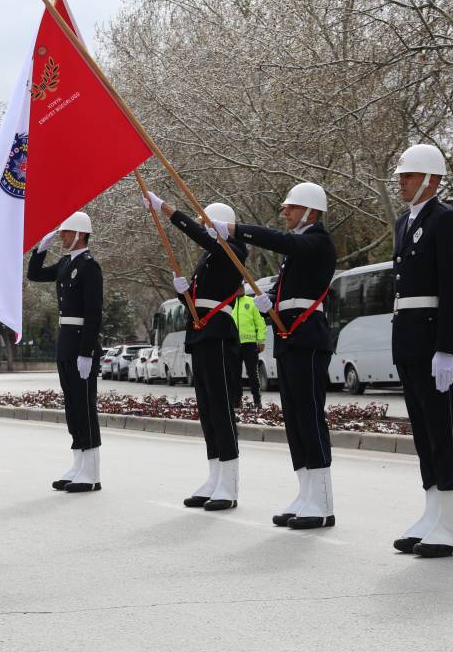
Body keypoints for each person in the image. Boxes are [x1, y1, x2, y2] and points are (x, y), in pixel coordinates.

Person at [209, 182, 337, 529]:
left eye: (291, 208)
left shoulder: (317, 241)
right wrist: (269, 307)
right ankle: (306, 492)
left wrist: (235, 230)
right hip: (291, 338)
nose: (285, 213)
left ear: (310, 211)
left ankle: (323, 501)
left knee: (310, 418)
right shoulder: (296, 252)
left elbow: (284, 241)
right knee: (295, 421)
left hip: (309, 339)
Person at [388, 144, 453, 558]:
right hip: (408, 339)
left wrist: (447, 348)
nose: (401, 181)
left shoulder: (445, 220)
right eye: (401, 176)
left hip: (433, 339)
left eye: (408, 175)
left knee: (444, 432)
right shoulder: (406, 223)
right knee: (424, 433)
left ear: (431, 180)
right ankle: (433, 513)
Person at [143, 192, 246, 511]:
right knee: (207, 412)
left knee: (221, 410)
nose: (203, 229)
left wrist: (167, 210)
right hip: (202, 336)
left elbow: (202, 237)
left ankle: (229, 482)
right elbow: (203, 299)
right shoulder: (209, 256)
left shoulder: (234, 249)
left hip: (220, 336)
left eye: (207, 224)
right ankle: (215, 476)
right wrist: (187, 293)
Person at [28, 211, 104, 493]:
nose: (62, 237)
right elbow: (34, 275)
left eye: (66, 233)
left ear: (81, 235)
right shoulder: (64, 264)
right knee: (72, 405)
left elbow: (94, 313)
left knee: (85, 405)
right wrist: (40, 249)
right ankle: (78, 463)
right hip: (66, 340)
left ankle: (92, 471)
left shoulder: (89, 267)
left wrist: (86, 352)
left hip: (81, 342)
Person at [231, 286, 266, 409]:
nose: (240, 289)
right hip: (234, 344)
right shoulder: (230, 304)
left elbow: (260, 322)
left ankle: (257, 401)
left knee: (253, 374)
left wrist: (261, 340)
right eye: (238, 287)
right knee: (235, 374)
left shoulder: (251, 302)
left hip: (250, 344)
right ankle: (236, 401)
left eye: (242, 287)